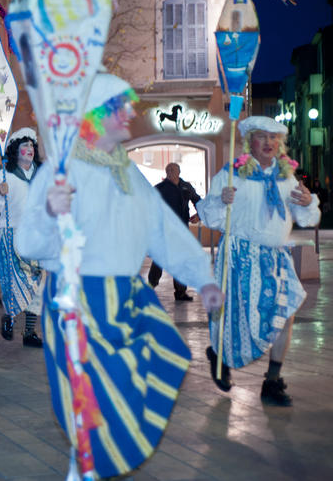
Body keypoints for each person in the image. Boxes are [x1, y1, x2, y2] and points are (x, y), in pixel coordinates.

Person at [17, 73, 224, 479]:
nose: (131, 112)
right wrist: (49, 213)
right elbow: (28, 243)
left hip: (125, 300)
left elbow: (163, 231)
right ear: (97, 115)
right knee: (93, 404)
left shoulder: (129, 174)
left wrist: (203, 278)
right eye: (121, 106)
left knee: (151, 367)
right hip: (77, 304)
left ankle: (93, 467)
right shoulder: (61, 171)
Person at [197, 116, 320, 406]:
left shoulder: (286, 176)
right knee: (233, 314)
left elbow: (305, 218)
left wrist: (307, 203)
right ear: (249, 141)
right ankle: (219, 356)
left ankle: (272, 381)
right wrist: (220, 200)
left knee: (286, 312)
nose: (268, 142)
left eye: (274, 137)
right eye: (262, 136)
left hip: (276, 257)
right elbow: (210, 218)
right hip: (239, 254)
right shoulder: (232, 173)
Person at [0, 127, 46, 347]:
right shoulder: (3, 175)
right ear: (15, 149)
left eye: (32, 145)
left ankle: (29, 332)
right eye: (25, 145)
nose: (30, 149)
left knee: (36, 285)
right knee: (13, 283)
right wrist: (0, 195)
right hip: (11, 234)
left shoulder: (42, 175)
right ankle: (9, 318)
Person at [147, 162, 202, 300]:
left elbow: (197, 201)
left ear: (179, 172)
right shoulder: (160, 188)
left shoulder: (186, 187)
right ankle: (149, 288)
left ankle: (180, 293)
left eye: (173, 170)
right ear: (166, 173)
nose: (171, 172)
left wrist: (199, 215)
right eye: (168, 170)